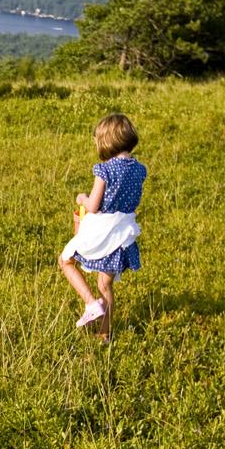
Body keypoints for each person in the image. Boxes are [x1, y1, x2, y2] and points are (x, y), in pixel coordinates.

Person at [57, 113, 145, 334]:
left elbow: (94, 206)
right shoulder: (139, 169)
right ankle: (105, 335)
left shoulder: (104, 169)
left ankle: (90, 303)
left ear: (105, 141)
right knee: (105, 285)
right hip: (122, 235)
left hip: (101, 232)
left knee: (65, 260)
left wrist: (81, 198)